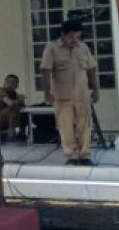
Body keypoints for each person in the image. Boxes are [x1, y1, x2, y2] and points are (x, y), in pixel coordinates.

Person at [40, 19, 100, 165]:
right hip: (62, 96)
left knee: (84, 125)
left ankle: (85, 155)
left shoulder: (83, 47)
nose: (74, 40)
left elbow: (90, 68)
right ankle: (71, 156)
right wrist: (47, 93)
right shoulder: (52, 48)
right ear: (63, 34)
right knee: (65, 126)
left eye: (77, 36)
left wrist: (96, 89)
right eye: (71, 36)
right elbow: (45, 70)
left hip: (82, 94)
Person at [0, 74, 26, 142]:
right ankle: (10, 134)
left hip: (4, 121)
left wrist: (21, 101)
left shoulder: (15, 94)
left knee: (23, 111)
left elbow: (22, 106)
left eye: (13, 83)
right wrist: (19, 100)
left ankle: (22, 134)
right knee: (12, 108)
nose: (10, 85)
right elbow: (10, 103)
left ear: (17, 86)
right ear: (4, 83)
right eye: (8, 82)